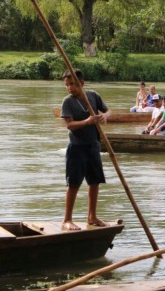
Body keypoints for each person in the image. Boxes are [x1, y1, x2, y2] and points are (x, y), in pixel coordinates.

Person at [60, 69, 110, 231]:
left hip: (93, 145)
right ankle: (67, 219)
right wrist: (87, 121)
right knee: (74, 183)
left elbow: (107, 110)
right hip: (77, 147)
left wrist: (105, 116)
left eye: (73, 84)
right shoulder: (68, 102)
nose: (70, 88)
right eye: (67, 85)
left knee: (95, 181)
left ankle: (92, 216)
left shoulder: (93, 96)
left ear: (81, 83)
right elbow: (69, 125)